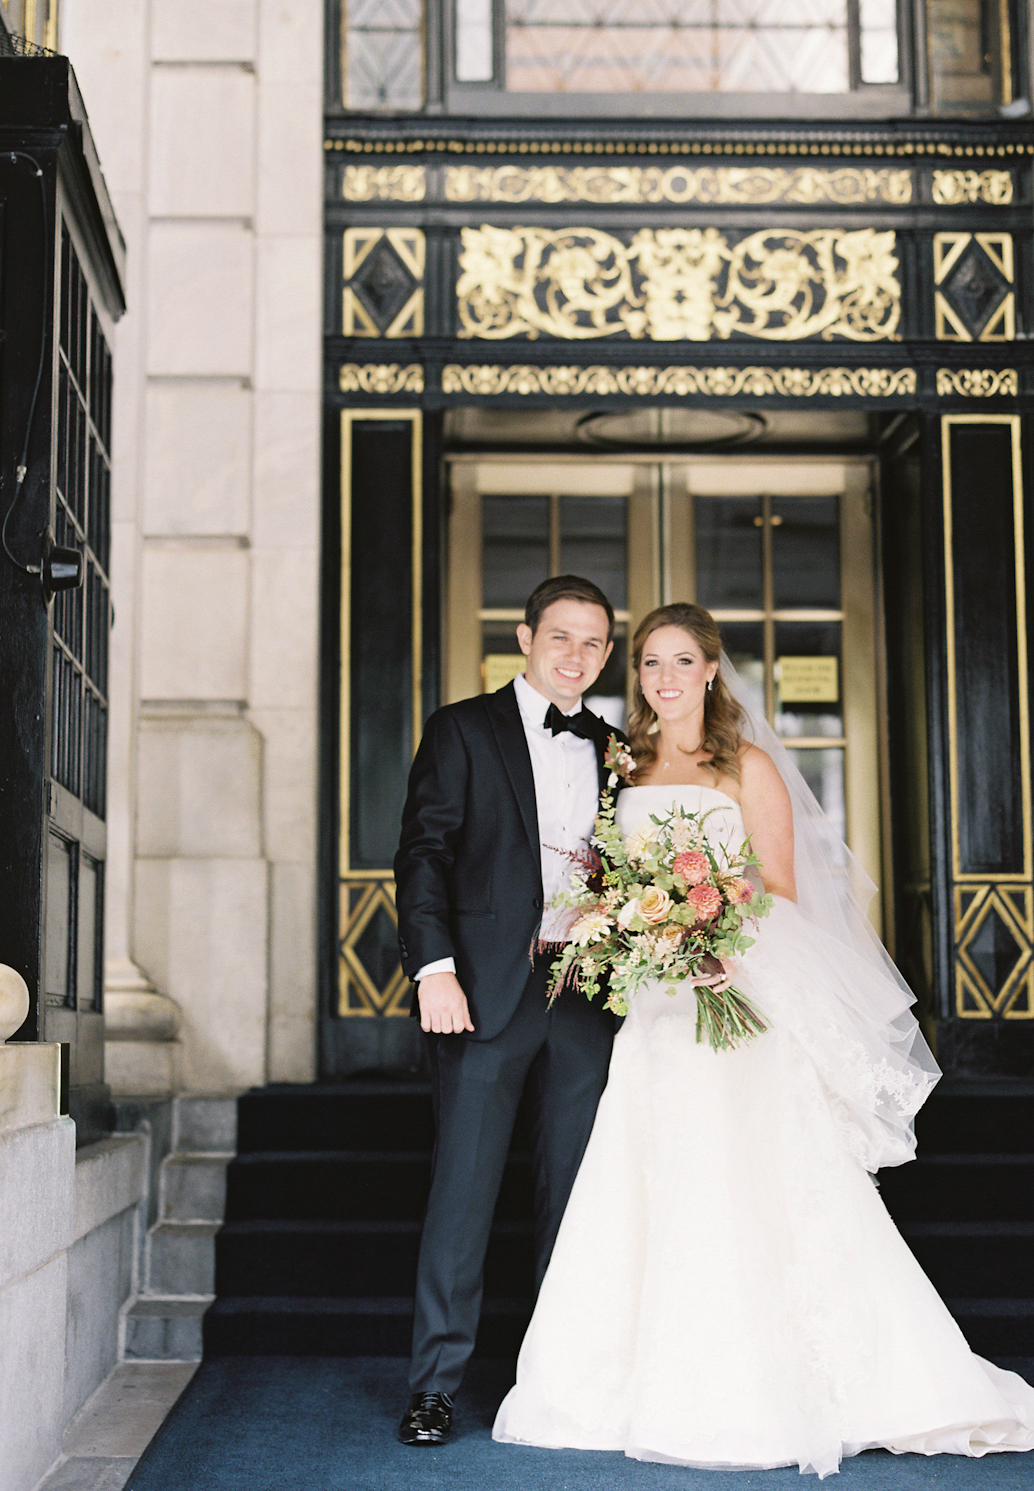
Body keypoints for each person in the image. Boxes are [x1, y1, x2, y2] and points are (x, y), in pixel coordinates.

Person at [493, 603, 1034, 1478]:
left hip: (731, 1001)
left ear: (712, 670)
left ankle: (784, 1387)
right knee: (652, 1181)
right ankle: (630, 1384)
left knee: (745, 1185)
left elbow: (777, 887)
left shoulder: (746, 766)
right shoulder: (624, 766)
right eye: (649, 664)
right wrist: (635, 927)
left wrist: (701, 937)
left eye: (681, 662)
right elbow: (610, 876)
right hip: (656, 1018)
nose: (664, 679)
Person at [394, 575, 627, 1447]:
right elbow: (422, 855)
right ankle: (434, 1388)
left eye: (594, 642)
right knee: (463, 1194)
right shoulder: (461, 728)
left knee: (574, 1194)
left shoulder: (616, 744)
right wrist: (435, 971)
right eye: (561, 636)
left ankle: (558, 1382)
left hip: (587, 996)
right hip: (481, 992)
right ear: (525, 637)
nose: (577, 655)